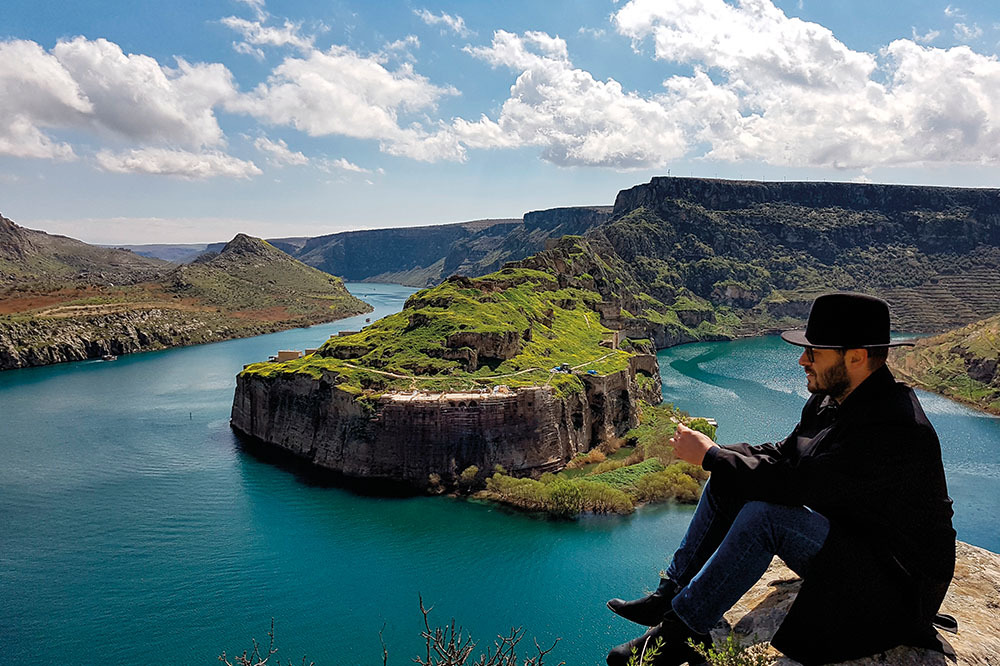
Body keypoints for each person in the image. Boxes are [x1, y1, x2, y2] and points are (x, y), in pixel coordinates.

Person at [605, 292, 956, 666]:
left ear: (856, 356)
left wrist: (710, 457)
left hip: (894, 586)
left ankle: (680, 634)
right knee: (728, 477)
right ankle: (670, 592)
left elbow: (796, 484)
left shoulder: (895, 427)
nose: (802, 359)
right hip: (855, 547)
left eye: (814, 352)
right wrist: (720, 453)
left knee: (764, 517)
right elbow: (785, 453)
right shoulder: (833, 399)